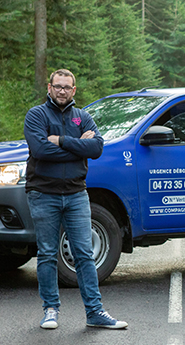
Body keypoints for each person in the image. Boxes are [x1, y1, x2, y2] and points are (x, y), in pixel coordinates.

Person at [24, 69, 128, 330]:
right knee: (47, 253)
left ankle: (95, 312)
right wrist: (77, 147)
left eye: (66, 87)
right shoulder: (36, 115)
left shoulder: (83, 117)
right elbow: (40, 150)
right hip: (43, 193)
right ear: (49, 88)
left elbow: (96, 148)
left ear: (74, 90)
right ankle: (50, 310)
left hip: (76, 194)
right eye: (57, 86)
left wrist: (60, 140)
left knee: (83, 254)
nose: (61, 91)